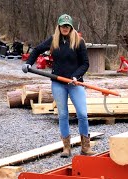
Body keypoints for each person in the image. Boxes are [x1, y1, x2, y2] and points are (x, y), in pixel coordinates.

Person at [22, 14, 95, 157]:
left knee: (82, 114)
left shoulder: (79, 42)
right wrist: (28, 63)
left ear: (71, 27)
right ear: (59, 27)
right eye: (62, 26)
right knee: (62, 115)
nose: (65, 28)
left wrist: (76, 76)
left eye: (67, 26)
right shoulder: (53, 40)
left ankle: (85, 147)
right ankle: (66, 148)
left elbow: (85, 63)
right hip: (58, 83)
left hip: (75, 82)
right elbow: (37, 50)